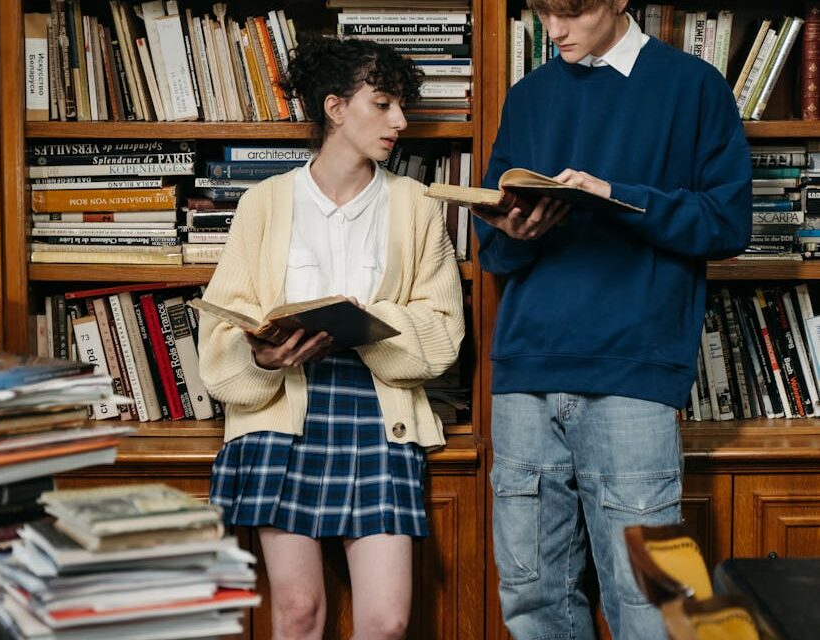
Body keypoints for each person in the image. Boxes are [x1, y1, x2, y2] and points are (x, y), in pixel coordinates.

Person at [474, 1, 751, 638]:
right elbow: (494, 250)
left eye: (571, 13)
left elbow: (729, 222)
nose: (556, 31)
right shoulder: (528, 96)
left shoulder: (693, 87)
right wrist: (517, 229)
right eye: (545, 13)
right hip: (524, 375)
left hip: (634, 374)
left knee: (650, 604)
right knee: (531, 598)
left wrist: (617, 198)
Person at [197, 35, 464, 640]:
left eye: (402, 107)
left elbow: (445, 329)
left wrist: (371, 322)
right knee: (298, 615)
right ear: (335, 108)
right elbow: (224, 322)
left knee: (389, 621)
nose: (399, 121)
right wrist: (261, 356)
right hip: (281, 410)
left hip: (379, 413)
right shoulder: (264, 202)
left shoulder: (416, 204)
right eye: (383, 104)